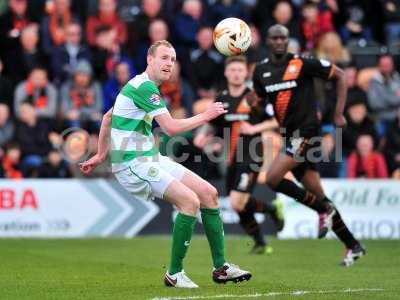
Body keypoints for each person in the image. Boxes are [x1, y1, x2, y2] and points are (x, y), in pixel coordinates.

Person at [78, 40, 251, 288]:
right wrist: (205, 115)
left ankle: (221, 268)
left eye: (172, 59)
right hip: (132, 164)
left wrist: (100, 154)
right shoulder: (144, 87)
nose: (169, 63)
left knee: (209, 194)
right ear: (150, 59)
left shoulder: (139, 85)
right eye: (164, 58)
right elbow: (169, 127)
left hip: (150, 157)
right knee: (190, 202)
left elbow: (108, 117)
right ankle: (174, 273)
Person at [252, 24, 365, 267]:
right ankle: (353, 245)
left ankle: (322, 210)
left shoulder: (302, 62)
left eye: (284, 36)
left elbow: (341, 75)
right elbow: (259, 103)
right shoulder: (260, 71)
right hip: (289, 135)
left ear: (288, 40)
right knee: (318, 193)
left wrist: (337, 113)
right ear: (268, 41)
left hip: (307, 133)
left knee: (272, 178)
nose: (280, 41)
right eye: (275, 37)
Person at [194, 55, 283, 254]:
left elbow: (276, 121)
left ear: (246, 73)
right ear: (226, 73)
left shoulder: (254, 97)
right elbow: (211, 122)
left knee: (236, 201)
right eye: (232, 70)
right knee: (238, 206)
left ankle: (270, 209)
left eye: (240, 70)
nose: (236, 74)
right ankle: (261, 241)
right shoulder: (222, 98)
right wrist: (203, 135)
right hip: (232, 157)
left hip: (252, 155)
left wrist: (254, 129)